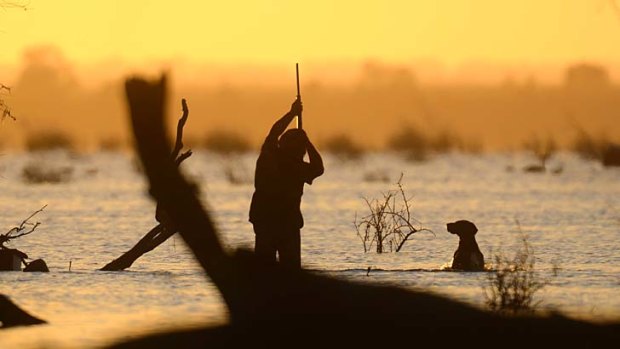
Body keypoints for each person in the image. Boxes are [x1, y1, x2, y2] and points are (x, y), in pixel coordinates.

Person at [249, 98, 324, 269]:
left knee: (262, 270)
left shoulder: (269, 155)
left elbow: (273, 132)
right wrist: (307, 141)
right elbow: (318, 168)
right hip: (283, 225)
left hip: (267, 222)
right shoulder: (296, 167)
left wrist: (292, 113)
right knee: (290, 272)